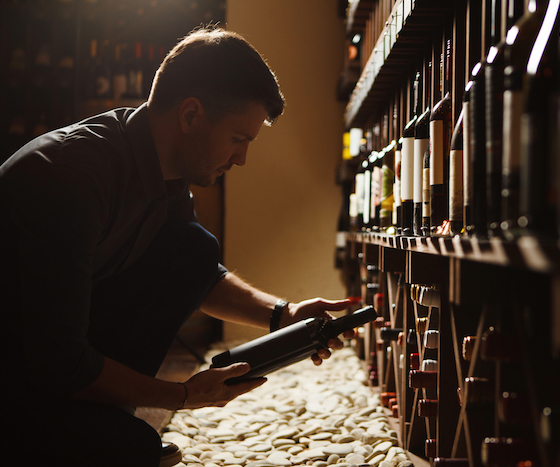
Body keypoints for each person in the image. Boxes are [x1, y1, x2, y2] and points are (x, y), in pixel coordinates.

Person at [0, 27, 352, 466]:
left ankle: (103, 417)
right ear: (190, 116)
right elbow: (59, 361)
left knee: (193, 246)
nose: (241, 159)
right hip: (16, 368)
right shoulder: (73, 177)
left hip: (47, 360)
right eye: (239, 139)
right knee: (130, 451)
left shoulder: (163, 171)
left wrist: (283, 315)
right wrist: (183, 396)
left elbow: (198, 274)